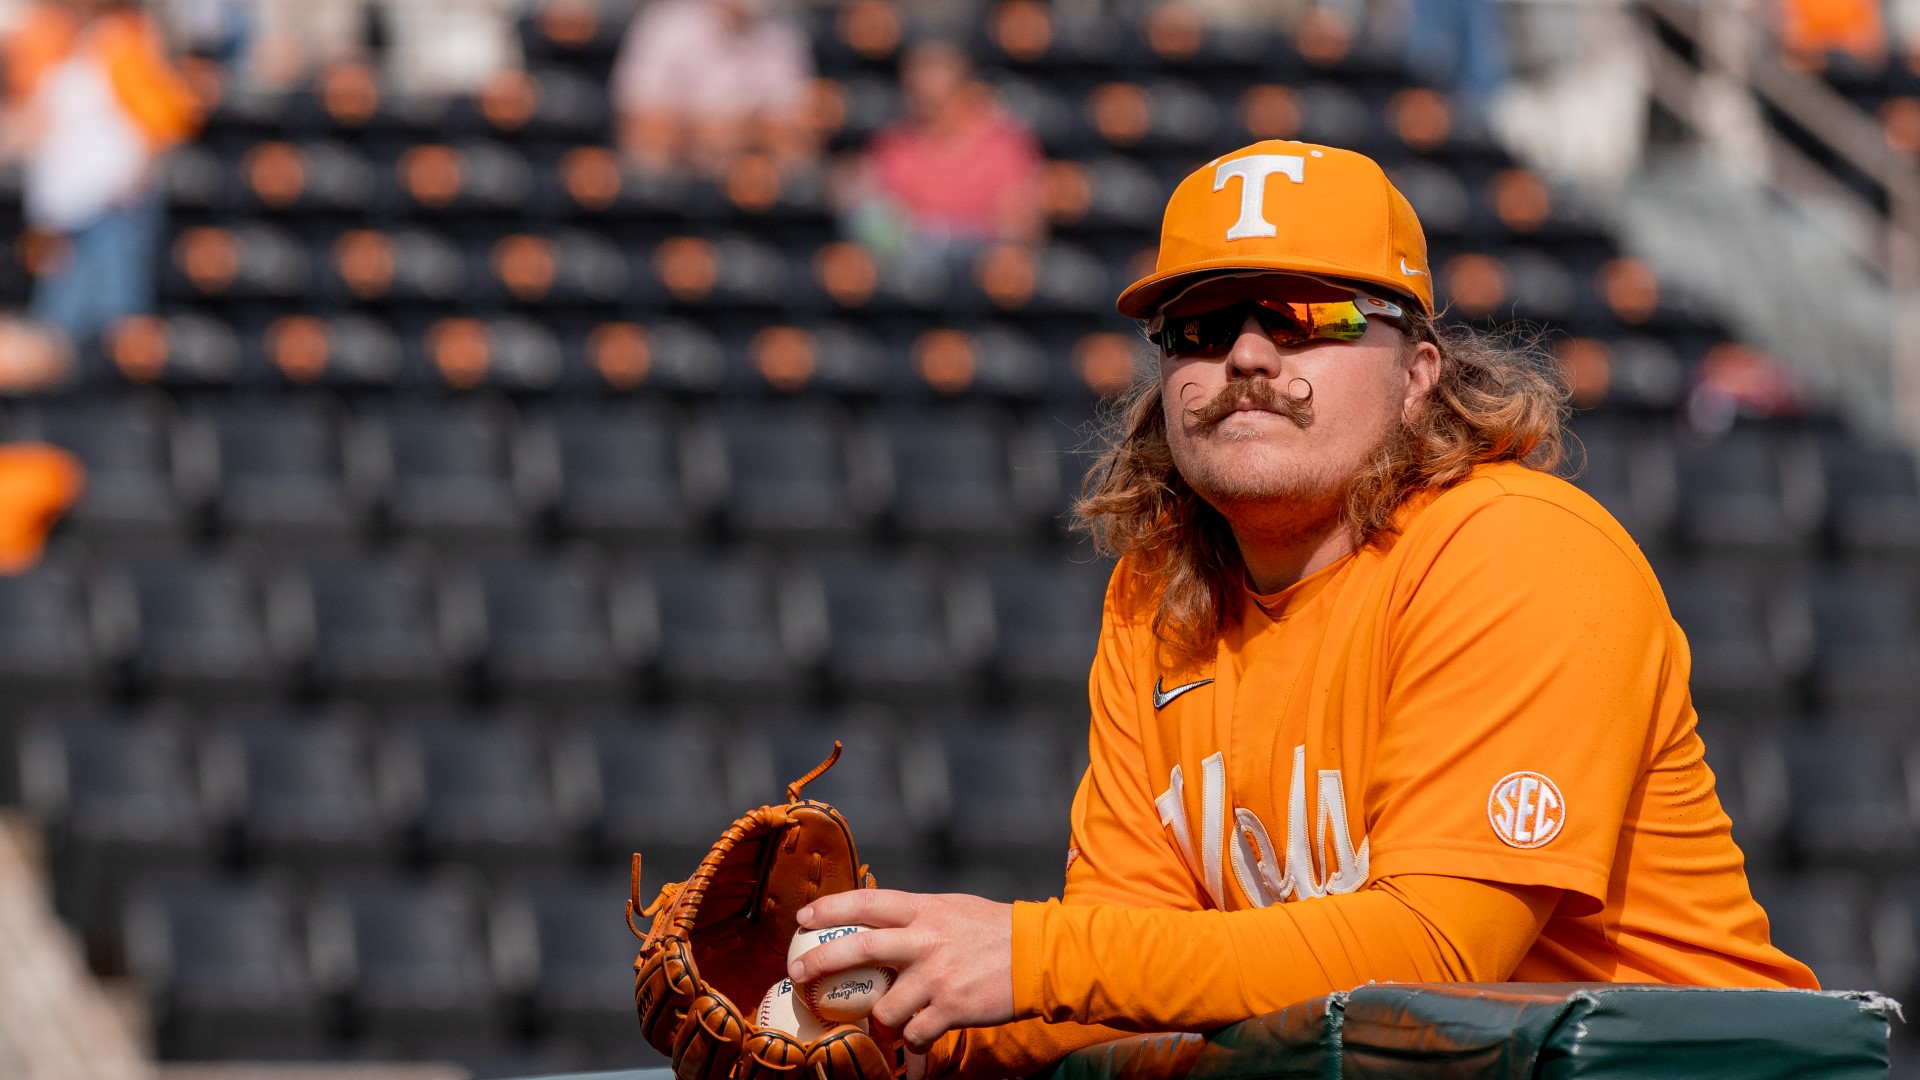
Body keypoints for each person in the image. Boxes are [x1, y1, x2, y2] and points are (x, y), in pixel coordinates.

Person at [785, 139, 1818, 1079]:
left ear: (1418, 374)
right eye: (1198, 325)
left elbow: (1436, 961)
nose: (1245, 355)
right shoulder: (1157, 596)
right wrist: (892, 1023)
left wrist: (1028, 955)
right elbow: (1125, 980)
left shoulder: (1517, 551)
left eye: (1304, 316)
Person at [1, 0, 199, 349]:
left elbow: (168, 117)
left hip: (109, 210)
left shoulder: (116, 43)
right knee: (60, 329)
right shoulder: (65, 53)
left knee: (113, 331)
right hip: (67, 219)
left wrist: (137, 174)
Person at [846, 39, 1043, 267]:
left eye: (936, 99)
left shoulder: (1005, 145)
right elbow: (879, 233)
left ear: (966, 89)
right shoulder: (889, 146)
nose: (924, 101)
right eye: (916, 92)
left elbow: (1020, 227)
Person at [609, 0, 815, 177]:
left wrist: (706, 129)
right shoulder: (664, 25)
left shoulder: (784, 36)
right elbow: (640, 124)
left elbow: (794, 136)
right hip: (674, 186)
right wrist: (740, 129)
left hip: (752, 185)